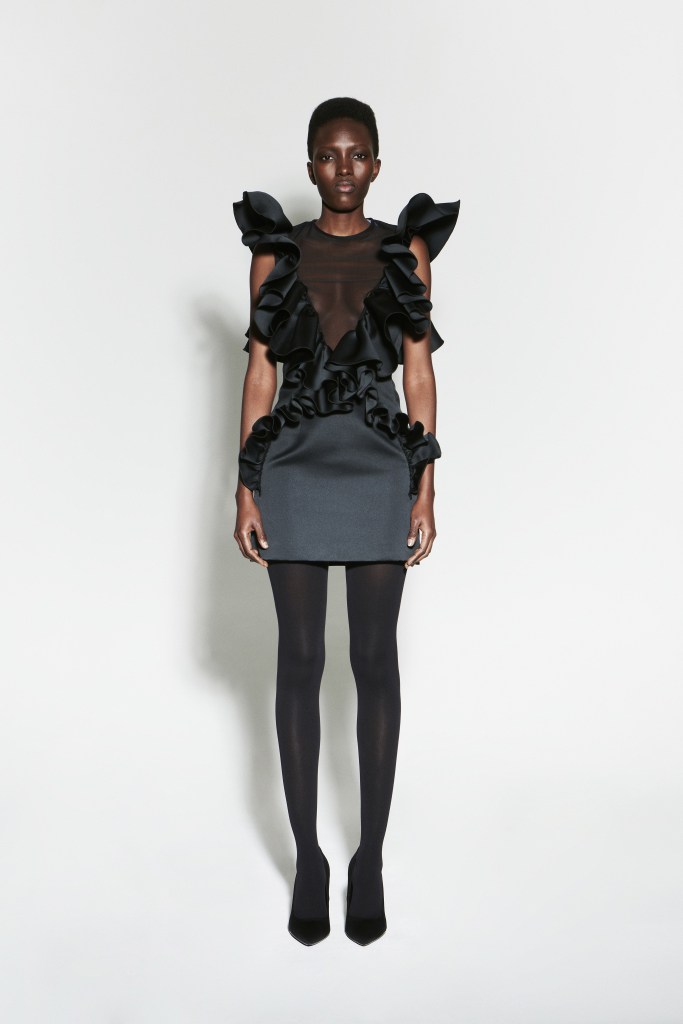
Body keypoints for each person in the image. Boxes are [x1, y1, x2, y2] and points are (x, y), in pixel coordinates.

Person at [233, 97, 460, 946]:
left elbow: (417, 374)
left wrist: (424, 486)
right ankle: (309, 859)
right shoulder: (275, 251)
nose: (342, 169)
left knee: (374, 662)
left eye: (356, 154)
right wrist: (246, 485)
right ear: (308, 165)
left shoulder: (405, 251)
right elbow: (260, 373)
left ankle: (369, 859)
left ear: (376, 164)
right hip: (292, 464)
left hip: (377, 466)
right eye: (327, 155)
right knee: (298, 660)